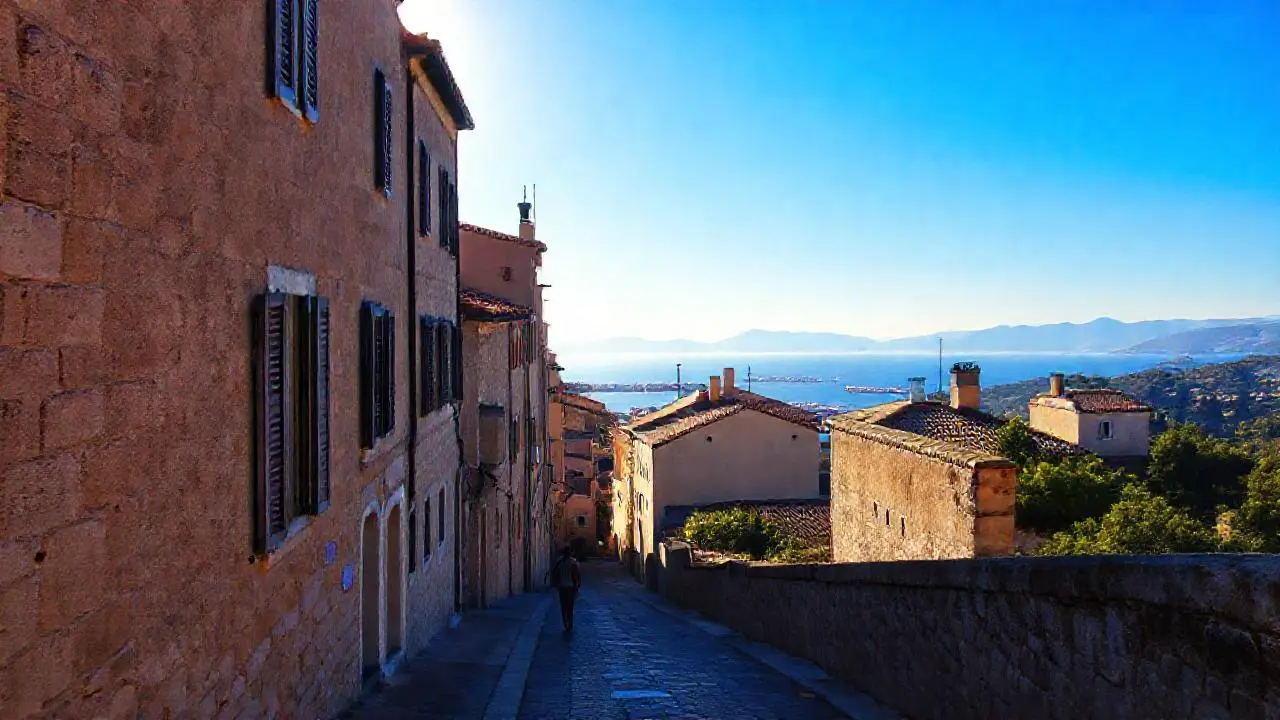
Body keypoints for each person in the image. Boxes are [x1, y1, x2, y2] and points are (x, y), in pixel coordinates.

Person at [550, 547, 581, 632]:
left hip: (562, 588)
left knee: (563, 606)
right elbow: (577, 576)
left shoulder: (559, 562)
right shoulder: (573, 563)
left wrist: (556, 584)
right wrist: (577, 586)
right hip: (570, 588)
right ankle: (570, 624)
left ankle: (565, 623)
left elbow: (555, 573)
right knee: (570, 607)